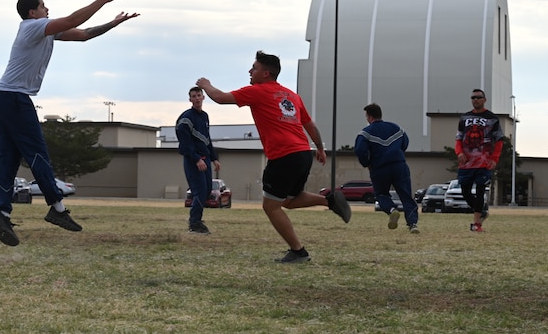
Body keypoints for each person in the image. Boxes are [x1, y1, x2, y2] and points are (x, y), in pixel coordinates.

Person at [0, 0, 139, 246]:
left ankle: (2, 212)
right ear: (32, 13)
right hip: (13, 98)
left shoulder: (44, 32)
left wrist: (113, 23)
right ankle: (56, 209)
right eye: (43, 5)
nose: (47, 9)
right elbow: (72, 19)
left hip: (5, 97)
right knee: (37, 153)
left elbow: (84, 34)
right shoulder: (33, 27)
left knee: (8, 158)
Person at [196, 51, 349, 264]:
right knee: (287, 200)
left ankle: (298, 251)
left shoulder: (257, 91)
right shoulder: (292, 96)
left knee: (270, 205)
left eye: (254, 68)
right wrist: (320, 148)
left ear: (266, 73)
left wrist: (206, 84)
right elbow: (310, 124)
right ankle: (329, 200)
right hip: (303, 152)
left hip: (284, 155)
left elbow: (220, 98)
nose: (250, 71)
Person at [354, 103, 419, 234]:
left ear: (370, 117)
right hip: (399, 166)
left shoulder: (365, 133)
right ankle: (412, 224)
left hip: (379, 168)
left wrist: (367, 164)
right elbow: (405, 142)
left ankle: (391, 210)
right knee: (406, 195)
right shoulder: (396, 128)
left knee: (381, 194)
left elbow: (360, 150)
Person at [455, 88, 504, 232]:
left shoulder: (492, 118)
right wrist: (459, 153)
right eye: (473, 97)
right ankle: (481, 211)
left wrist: (494, 159)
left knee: (480, 190)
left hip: (484, 161)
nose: (475, 99)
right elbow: (458, 138)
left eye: (478, 97)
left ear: (484, 99)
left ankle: (476, 224)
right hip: (466, 162)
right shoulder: (464, 118)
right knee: (465, 191)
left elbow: (500, 140)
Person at [176, 87, 220, 235]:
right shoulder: (185, 119)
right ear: (190, 99)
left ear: (203, 97)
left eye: (198, 95)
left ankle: (197, 221)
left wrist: (214, 158)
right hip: (193, 159)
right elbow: (185, 144)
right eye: (193, 96)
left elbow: (207, 139)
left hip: (205, 159)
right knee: (199, 191)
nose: (196, 98)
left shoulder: (204, 116)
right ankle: (194, 223)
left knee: (207, 190)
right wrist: (196, 159)